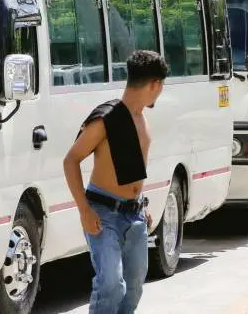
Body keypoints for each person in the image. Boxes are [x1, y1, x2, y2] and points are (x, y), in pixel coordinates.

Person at [63, 50, 169, 314]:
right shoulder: (106, 119)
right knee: (110, 284)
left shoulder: (142, 119)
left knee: (133, 288)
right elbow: (71, 160)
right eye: (161, 86)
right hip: (103, 213)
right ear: (155, 84)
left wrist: (141, 203)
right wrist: (84, 210)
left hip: (134, 215)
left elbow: (133, 169)